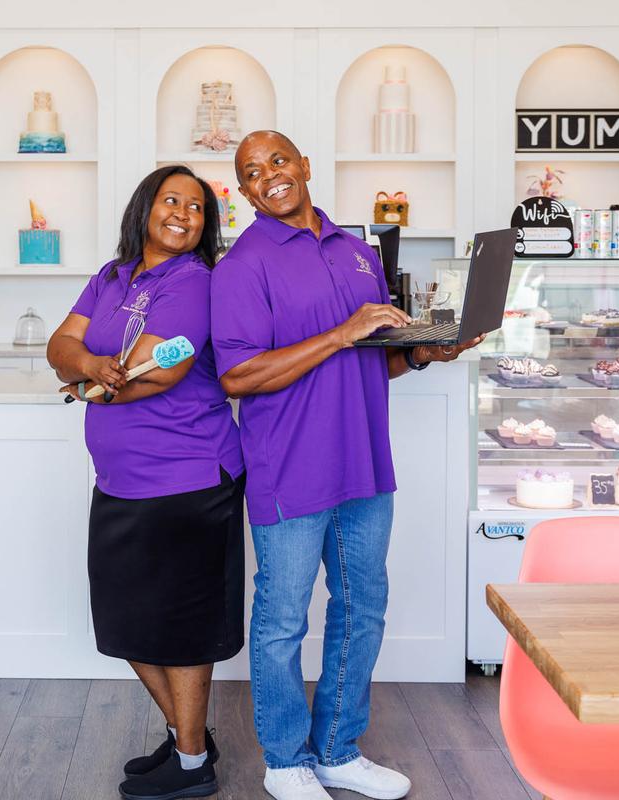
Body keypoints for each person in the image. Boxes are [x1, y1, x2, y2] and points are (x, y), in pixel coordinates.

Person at [210, 131, 483, 800]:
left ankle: (337, 750)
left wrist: (422, 353)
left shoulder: (359, 253)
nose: (269, 176)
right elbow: (238, 375)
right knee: (282, 620)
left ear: (304, 166)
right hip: (288, 466)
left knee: (363, 608)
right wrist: (341, 332)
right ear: (244, 192)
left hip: (363, 462)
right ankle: (284, 762)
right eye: (253, 172)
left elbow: (367, 362)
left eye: (278, 161)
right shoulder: (242, 265)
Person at [47, 165, 245, 800]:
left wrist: (92, 384)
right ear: (145, 207)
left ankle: (191, 764)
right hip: (120, 481)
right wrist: (90, 366)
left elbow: (157, 372)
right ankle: (188, 736)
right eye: (171, 200)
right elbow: (60, 345)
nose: (184, 213)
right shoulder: (111, 277)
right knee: (127, 620)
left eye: (197, 206)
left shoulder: (195, 281)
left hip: (189, 480)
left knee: (181, 628)